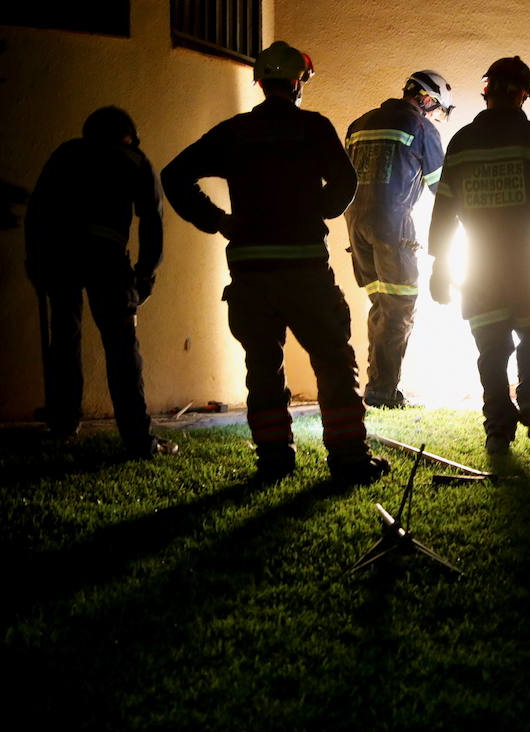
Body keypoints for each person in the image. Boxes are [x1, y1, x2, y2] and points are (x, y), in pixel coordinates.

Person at [161, 41, 389, 485]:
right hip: (304, 268)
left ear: (261, 83)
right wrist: (319, 209)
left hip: (250, 272)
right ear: (298, 82)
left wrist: (218, 222)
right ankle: (348, 459)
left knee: (262, 365)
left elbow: (174, 175)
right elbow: (345, 179)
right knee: (332, 361)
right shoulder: (313, 127)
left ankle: (274, 461)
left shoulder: (233, 132)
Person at [427, 56, 530, 454]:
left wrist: (440, 264)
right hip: (527, 266)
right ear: (523, 95)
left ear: (486, 92)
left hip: (479, 268)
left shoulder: (462, 142)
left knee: (492, 349)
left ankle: (498, 428)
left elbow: (445, 208)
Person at [25, 106, 174, 458]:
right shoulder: (135, 160)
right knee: (122, 349)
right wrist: (145, 275)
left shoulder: (67, 153)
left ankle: (64, 421)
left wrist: (36, 261)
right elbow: (152, 221)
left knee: (64, 336)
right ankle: (138, 438)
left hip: (60, 254)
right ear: (130, 135)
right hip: (107, 257)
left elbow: (38, 210)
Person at [343, 70, 451, 408]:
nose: (435, 117)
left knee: (380, 303)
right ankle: (382, 390)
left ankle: (377, 383)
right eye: (437, 110)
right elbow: (441, 187)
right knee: (400, 305)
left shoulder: (359, 124)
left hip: (356, 226)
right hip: (392, 228)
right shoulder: (420, 127)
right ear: (428, 99)